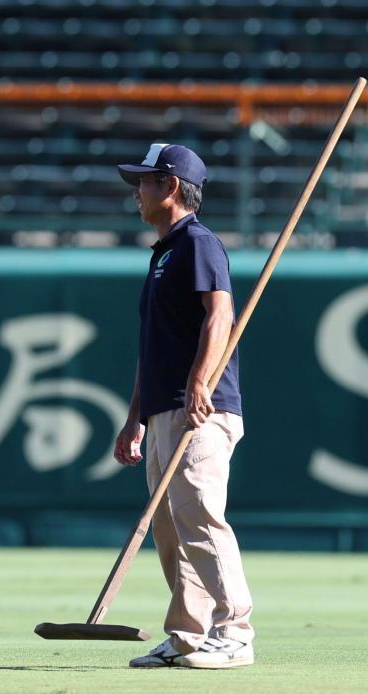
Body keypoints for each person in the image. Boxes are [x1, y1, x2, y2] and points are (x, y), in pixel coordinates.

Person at [113, 144, 254, 669]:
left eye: (145, 182)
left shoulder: (197, 242)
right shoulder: (164, 251)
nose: (137, 192)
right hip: (164, 408)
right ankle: (188, 634)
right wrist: (135, 417)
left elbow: (220, 316)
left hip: (202, 408)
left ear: (170, 187)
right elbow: (154, 346)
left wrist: (199, 384)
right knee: (171, 525)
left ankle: (234, 628)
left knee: (197, 514)